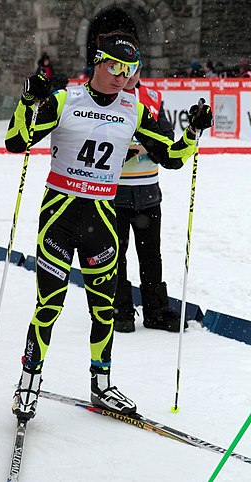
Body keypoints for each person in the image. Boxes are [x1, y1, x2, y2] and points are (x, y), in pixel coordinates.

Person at [5, 30, 213, 421]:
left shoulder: (133, 110)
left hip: (102, 217)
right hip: (60, 215)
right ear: (97, 62)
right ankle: (28, 384)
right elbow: (17, 142)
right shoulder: (66, 99)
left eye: (129, 69)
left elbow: (171, 157)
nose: (121, 76)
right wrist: (28, 101)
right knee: (48, 305)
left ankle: (101, 386)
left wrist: (193, 131)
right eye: (114, 66)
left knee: (104, 310)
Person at [113, 62, 188, 333]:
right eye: (126, 71)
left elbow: (167, 137)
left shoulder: (153, 98)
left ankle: (155, 311)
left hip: (147, 192)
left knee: (151, 255)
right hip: (116, 193)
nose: (131, 77)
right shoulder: (109, 99)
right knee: (116, 255)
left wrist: (147, 145)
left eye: (136, 71)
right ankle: (120, 310)